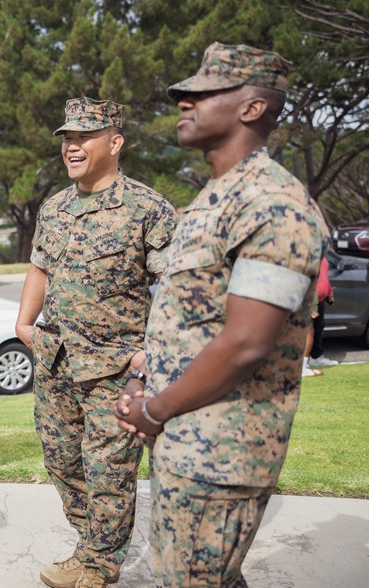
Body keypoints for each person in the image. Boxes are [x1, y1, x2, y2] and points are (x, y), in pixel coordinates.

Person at [114, 42, 325, 587]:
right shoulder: (213, 198)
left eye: (204, 92)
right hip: (185, 442)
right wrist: (142, 381)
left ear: (252, 108)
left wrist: (155, 411)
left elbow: (246, 343)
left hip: (221, 455)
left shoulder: (273, 203)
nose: (185, 101)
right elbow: (185, 318)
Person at [14, 98, 176, 588]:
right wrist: (23, 326)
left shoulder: (149, 209)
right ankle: (90, 546)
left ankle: (99, 566)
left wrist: (150, 359)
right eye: (67, 137)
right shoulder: (56, 206)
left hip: (115, 369)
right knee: (62, 462)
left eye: (83, 136)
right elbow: (39, 266)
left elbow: (172, 293)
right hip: (56, 362)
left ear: (115, 142)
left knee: (109, 472)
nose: (72, 146)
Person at [306, 252, 337, 371]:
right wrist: (313, 305)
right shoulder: (310, 256)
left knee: (319, 328)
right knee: (308, 332)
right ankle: (303, 364)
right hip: (309, 300)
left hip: (320, 299)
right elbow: (311, 282)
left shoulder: (322, 256)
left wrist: (329, 291)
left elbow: (324, 277)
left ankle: (316, 357)